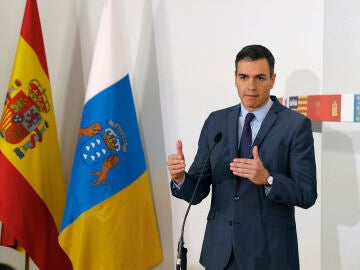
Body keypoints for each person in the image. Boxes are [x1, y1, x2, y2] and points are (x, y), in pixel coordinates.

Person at [167, 44, 317, 270]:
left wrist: (268, 179)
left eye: (260, 78)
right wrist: (180, 178)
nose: (251, 86)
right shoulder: (215, 122)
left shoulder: (295, 126)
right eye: (244, 77)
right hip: (220, 254)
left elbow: (307, 194)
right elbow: (197, 192)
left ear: (273, 80)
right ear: (235, 78)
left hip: (270, 256)